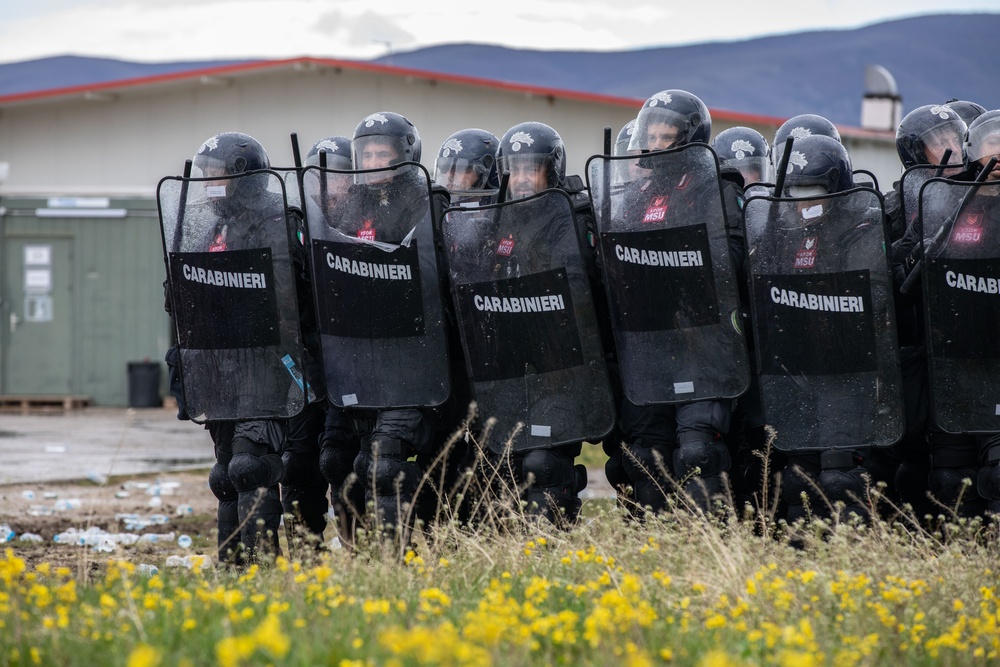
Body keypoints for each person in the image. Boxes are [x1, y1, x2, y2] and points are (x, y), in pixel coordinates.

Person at [604, 89, 748, 515]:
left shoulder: (717, 191)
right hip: (649, 349)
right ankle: (654, 556)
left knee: (698, 453)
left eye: (667, 135)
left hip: (704, 345)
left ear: (689, 139)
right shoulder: (636, 196)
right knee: (644, 459)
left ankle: (709, 553)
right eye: (651, 133)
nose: (654, 142)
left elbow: (735, 260)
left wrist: (671, 263)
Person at [314, 111, 458, 533]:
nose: (375, 160)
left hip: (413, 357)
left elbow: (441, 276)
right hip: (358, 357)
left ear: (406, 155)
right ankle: (362, 556)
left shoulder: (428, 203)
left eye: (384, 152)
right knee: (344, 460)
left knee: (384, 460)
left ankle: (401, 559)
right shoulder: (346, 210)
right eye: (368, 153)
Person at [163, 132, 301, 564]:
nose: (209, 183)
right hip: (218, 363)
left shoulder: (276, 221)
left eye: (217, 174)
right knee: (225, 475)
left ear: (244, 177)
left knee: (250, 466)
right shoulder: (212, 225)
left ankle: (263, 571)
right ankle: (231, 572)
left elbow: (284, 294)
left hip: (265, 361)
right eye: (205, 175)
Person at [750, 134, 900, 524]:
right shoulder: (776, 235)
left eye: (813, 191)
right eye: (795, 192)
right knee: (797, 480)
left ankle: (852, 560)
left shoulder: (863, 229)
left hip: (846, 372)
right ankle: (802, 564)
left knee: (839, 478)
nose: (804, 202)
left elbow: (877, 296)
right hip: (794, 373)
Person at [893, 110, 1000, 518]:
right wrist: (927, 246)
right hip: (951, 365)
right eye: (990, 147)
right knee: (952, 485)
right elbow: (899, 283)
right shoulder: (942, 204)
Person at [433, 128, 500, 204]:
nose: (449, 175)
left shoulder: (508, 215)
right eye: (444, 169)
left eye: (460, 168)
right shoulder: (434, 213)